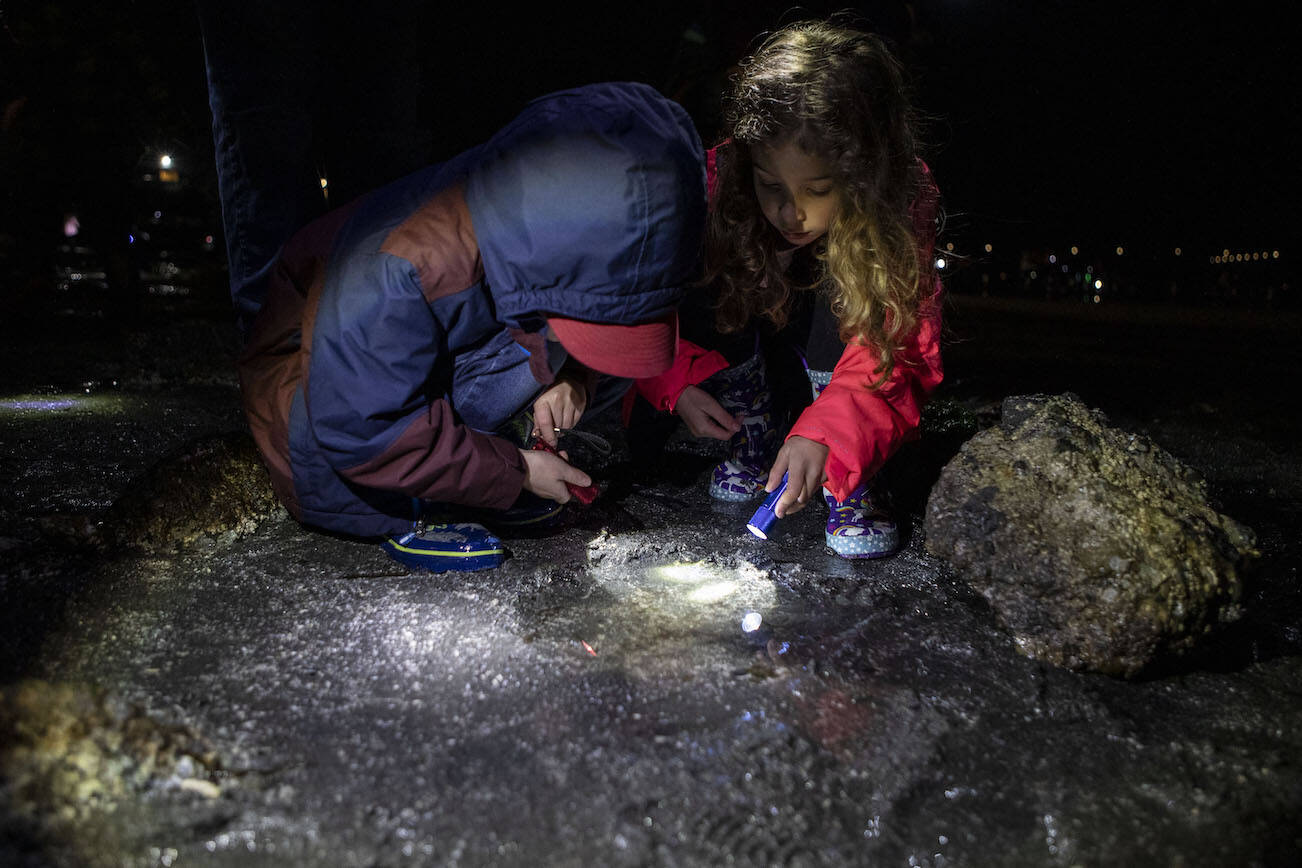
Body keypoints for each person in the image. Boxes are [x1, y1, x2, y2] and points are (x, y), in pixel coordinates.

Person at [236, 81, 706, 571]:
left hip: (386, 368)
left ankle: (474, 459)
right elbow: (359, 427)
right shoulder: (402, 271)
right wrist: (517, 471)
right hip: (322, 420)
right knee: (401, 434)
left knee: (565, 350)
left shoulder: (527, 228)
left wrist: (574, 380)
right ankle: (417, 506)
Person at [630, 19, 944, 559]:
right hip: (761, 346)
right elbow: (642, 295)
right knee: (715, 260)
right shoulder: (717, 181)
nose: (790, 212)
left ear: (861, 172)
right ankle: (750, 426)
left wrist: (830, 434)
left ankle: (849, 470)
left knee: (859, 282)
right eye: (770, 185)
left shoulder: (899, 197)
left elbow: (903, 340)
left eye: (817, 189)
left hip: (835, 357)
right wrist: (675, 383)